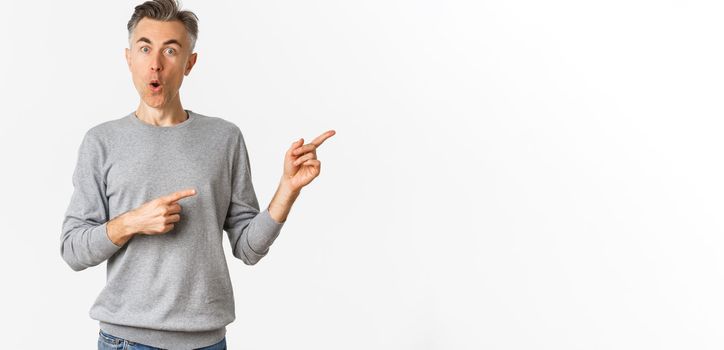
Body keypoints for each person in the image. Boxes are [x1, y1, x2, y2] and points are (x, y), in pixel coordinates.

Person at [59, 0, 335, 349]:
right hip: (126, 340)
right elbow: (72, 250)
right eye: (145, 48)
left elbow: (248, 249)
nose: (155, 64)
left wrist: (287, 189)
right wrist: (131, 222)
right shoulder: (101, 142)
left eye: (170, 50)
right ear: (129, 58)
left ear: (190, 63)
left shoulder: (224, 138)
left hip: (206, 341)